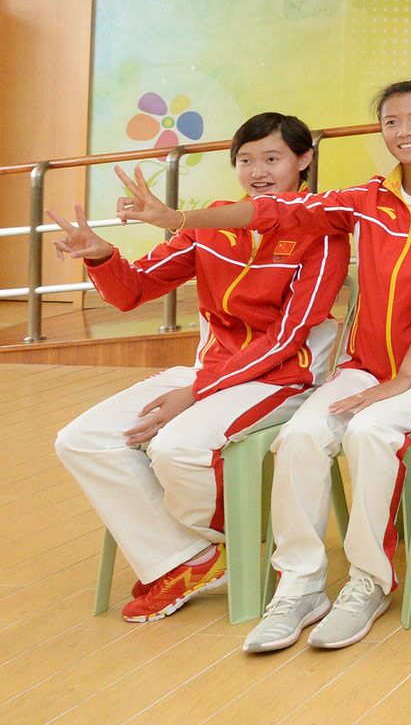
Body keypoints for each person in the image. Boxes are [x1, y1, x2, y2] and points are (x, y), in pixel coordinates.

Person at [113, 81, 411, 652]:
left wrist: (405, 376)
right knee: (301, 436)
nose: (404, 131)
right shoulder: (366, 198)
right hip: (365, 363)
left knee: (369, 434)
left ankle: (368, 581)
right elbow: (275, 210)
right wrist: (178, 216)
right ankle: (301, 586)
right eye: (391, 121)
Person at [52, 114, 349, 624]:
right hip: (209, 372)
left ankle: (216, 545)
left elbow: (286, 339)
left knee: (177, 448)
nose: (257, 171)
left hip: (280, 377)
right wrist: (101, 257)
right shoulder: (211, 223)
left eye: (272, 158)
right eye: (246, 160)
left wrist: (195, 394)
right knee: (81, 439)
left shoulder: (323, 231)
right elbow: (133, 291)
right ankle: (187, 559)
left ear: (304, 160)